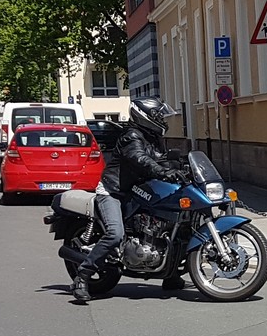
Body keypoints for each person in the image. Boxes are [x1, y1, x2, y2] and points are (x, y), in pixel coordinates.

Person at [70, 98, 186, 303]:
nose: (163, 121)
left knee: (172, 224)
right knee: (115, 234)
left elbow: (162, 158)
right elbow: (140, 159)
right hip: (113, 191)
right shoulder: (131, 137)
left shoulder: (152, 137)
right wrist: (163, 172)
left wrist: (182, 167)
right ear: (146, 117)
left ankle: (171, 274)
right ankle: (82, 276)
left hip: (137, 191)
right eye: (159, 117)